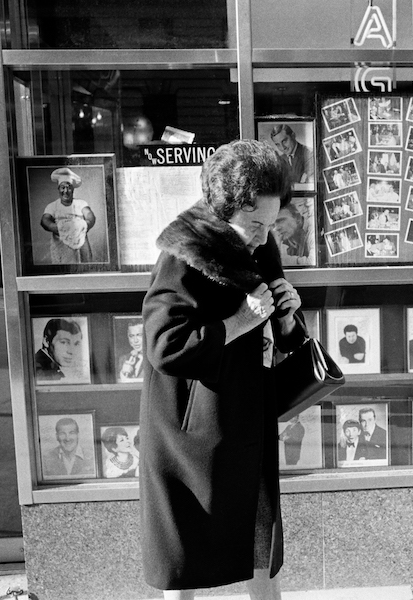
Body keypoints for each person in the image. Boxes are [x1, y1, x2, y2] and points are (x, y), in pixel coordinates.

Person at [140, 139, 305, 599]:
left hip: (245, 424)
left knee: (260, 543)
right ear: (223, 208)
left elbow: (275, 327)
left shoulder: (259, 245)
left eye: (271, 224)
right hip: (190, 437)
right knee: (185, 558)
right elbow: (164, 345)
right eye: (255, 225)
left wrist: (287, 316)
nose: (263, 237)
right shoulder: (183, 252)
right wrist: (236, 324)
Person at [40, 167, 97, 264]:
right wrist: (59, 228)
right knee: (65, 267)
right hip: (60, 243)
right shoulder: (52, 206)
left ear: (73, 190)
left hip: (81, 241)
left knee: (85, 266)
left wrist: (83, 225)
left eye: (69, 187)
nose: (65, 191)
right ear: (59, 189)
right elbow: (45, 220)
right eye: (63, 187)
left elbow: (90, 216)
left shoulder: (81, 203)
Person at [35, 318, 83, 382]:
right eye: (64, 342)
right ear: (46, 341)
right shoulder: (40, 371)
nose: (71, 351)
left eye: (76, 344)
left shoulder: (48, 368)